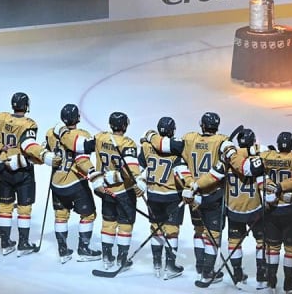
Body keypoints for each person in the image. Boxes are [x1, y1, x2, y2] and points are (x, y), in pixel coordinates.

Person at [145, 111, 229, 285]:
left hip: (193, 197)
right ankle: (207, 272)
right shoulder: (222, 140)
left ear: (202, 125)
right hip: (213, 196)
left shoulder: (188, 139)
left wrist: (150, 135)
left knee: (199, 230)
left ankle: (199, 265)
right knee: (212, 234)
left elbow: (165, 145)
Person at [0, 92, 48, 256]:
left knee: (5, 207)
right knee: (24, 208)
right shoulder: (29, 124)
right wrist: (43, 154)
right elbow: (29, 145)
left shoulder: (0, 117)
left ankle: (5, 243)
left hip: (3, 168)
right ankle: (23, 243)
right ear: (26, 106)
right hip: (22, 170)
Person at [43, 103, 100, 262]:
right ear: (77, 118)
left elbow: (44, 150)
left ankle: (62, 249)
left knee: (61, 215)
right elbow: (82, 159)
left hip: (56, 183)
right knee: (88, 215)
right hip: (76, 184)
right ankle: (84, 249)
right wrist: (92, 172)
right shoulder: (82, 134)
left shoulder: (50, 133)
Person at [137, 116, 191, 279]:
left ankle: (156, 264)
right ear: (172, 131)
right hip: (172, 197)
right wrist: (190, 187)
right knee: (172, 231)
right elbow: (182, 171)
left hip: (153, 195)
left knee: (156, 229)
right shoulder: (177, 150)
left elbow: (140, 167)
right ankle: (170, 265)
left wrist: (141, 182)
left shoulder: (146, 147)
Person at [90, 111, 143, 270]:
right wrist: (139, 180)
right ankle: (122, 259)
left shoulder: (100, 138)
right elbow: (130, 169)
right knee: (125, 225)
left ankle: (106, 257)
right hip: (124, 192)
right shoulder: (128, 143)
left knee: (108, 223)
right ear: (125, 126)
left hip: (106, 191)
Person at [263, 131, 292, 292]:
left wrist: (272, 187)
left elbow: (258, 175)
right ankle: (289, 282)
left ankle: (271, 280)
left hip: (272, 209)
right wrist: (282, 187)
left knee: (273, 246)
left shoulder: (267, 155)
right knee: (291, 248)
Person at [220, 127, 267, 287]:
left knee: (234, 242)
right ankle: (262, 274)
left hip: (233, 209)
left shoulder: (228, 157)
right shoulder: (258, 157)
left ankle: (237, 273)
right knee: (262, 240)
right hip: (254, 208)